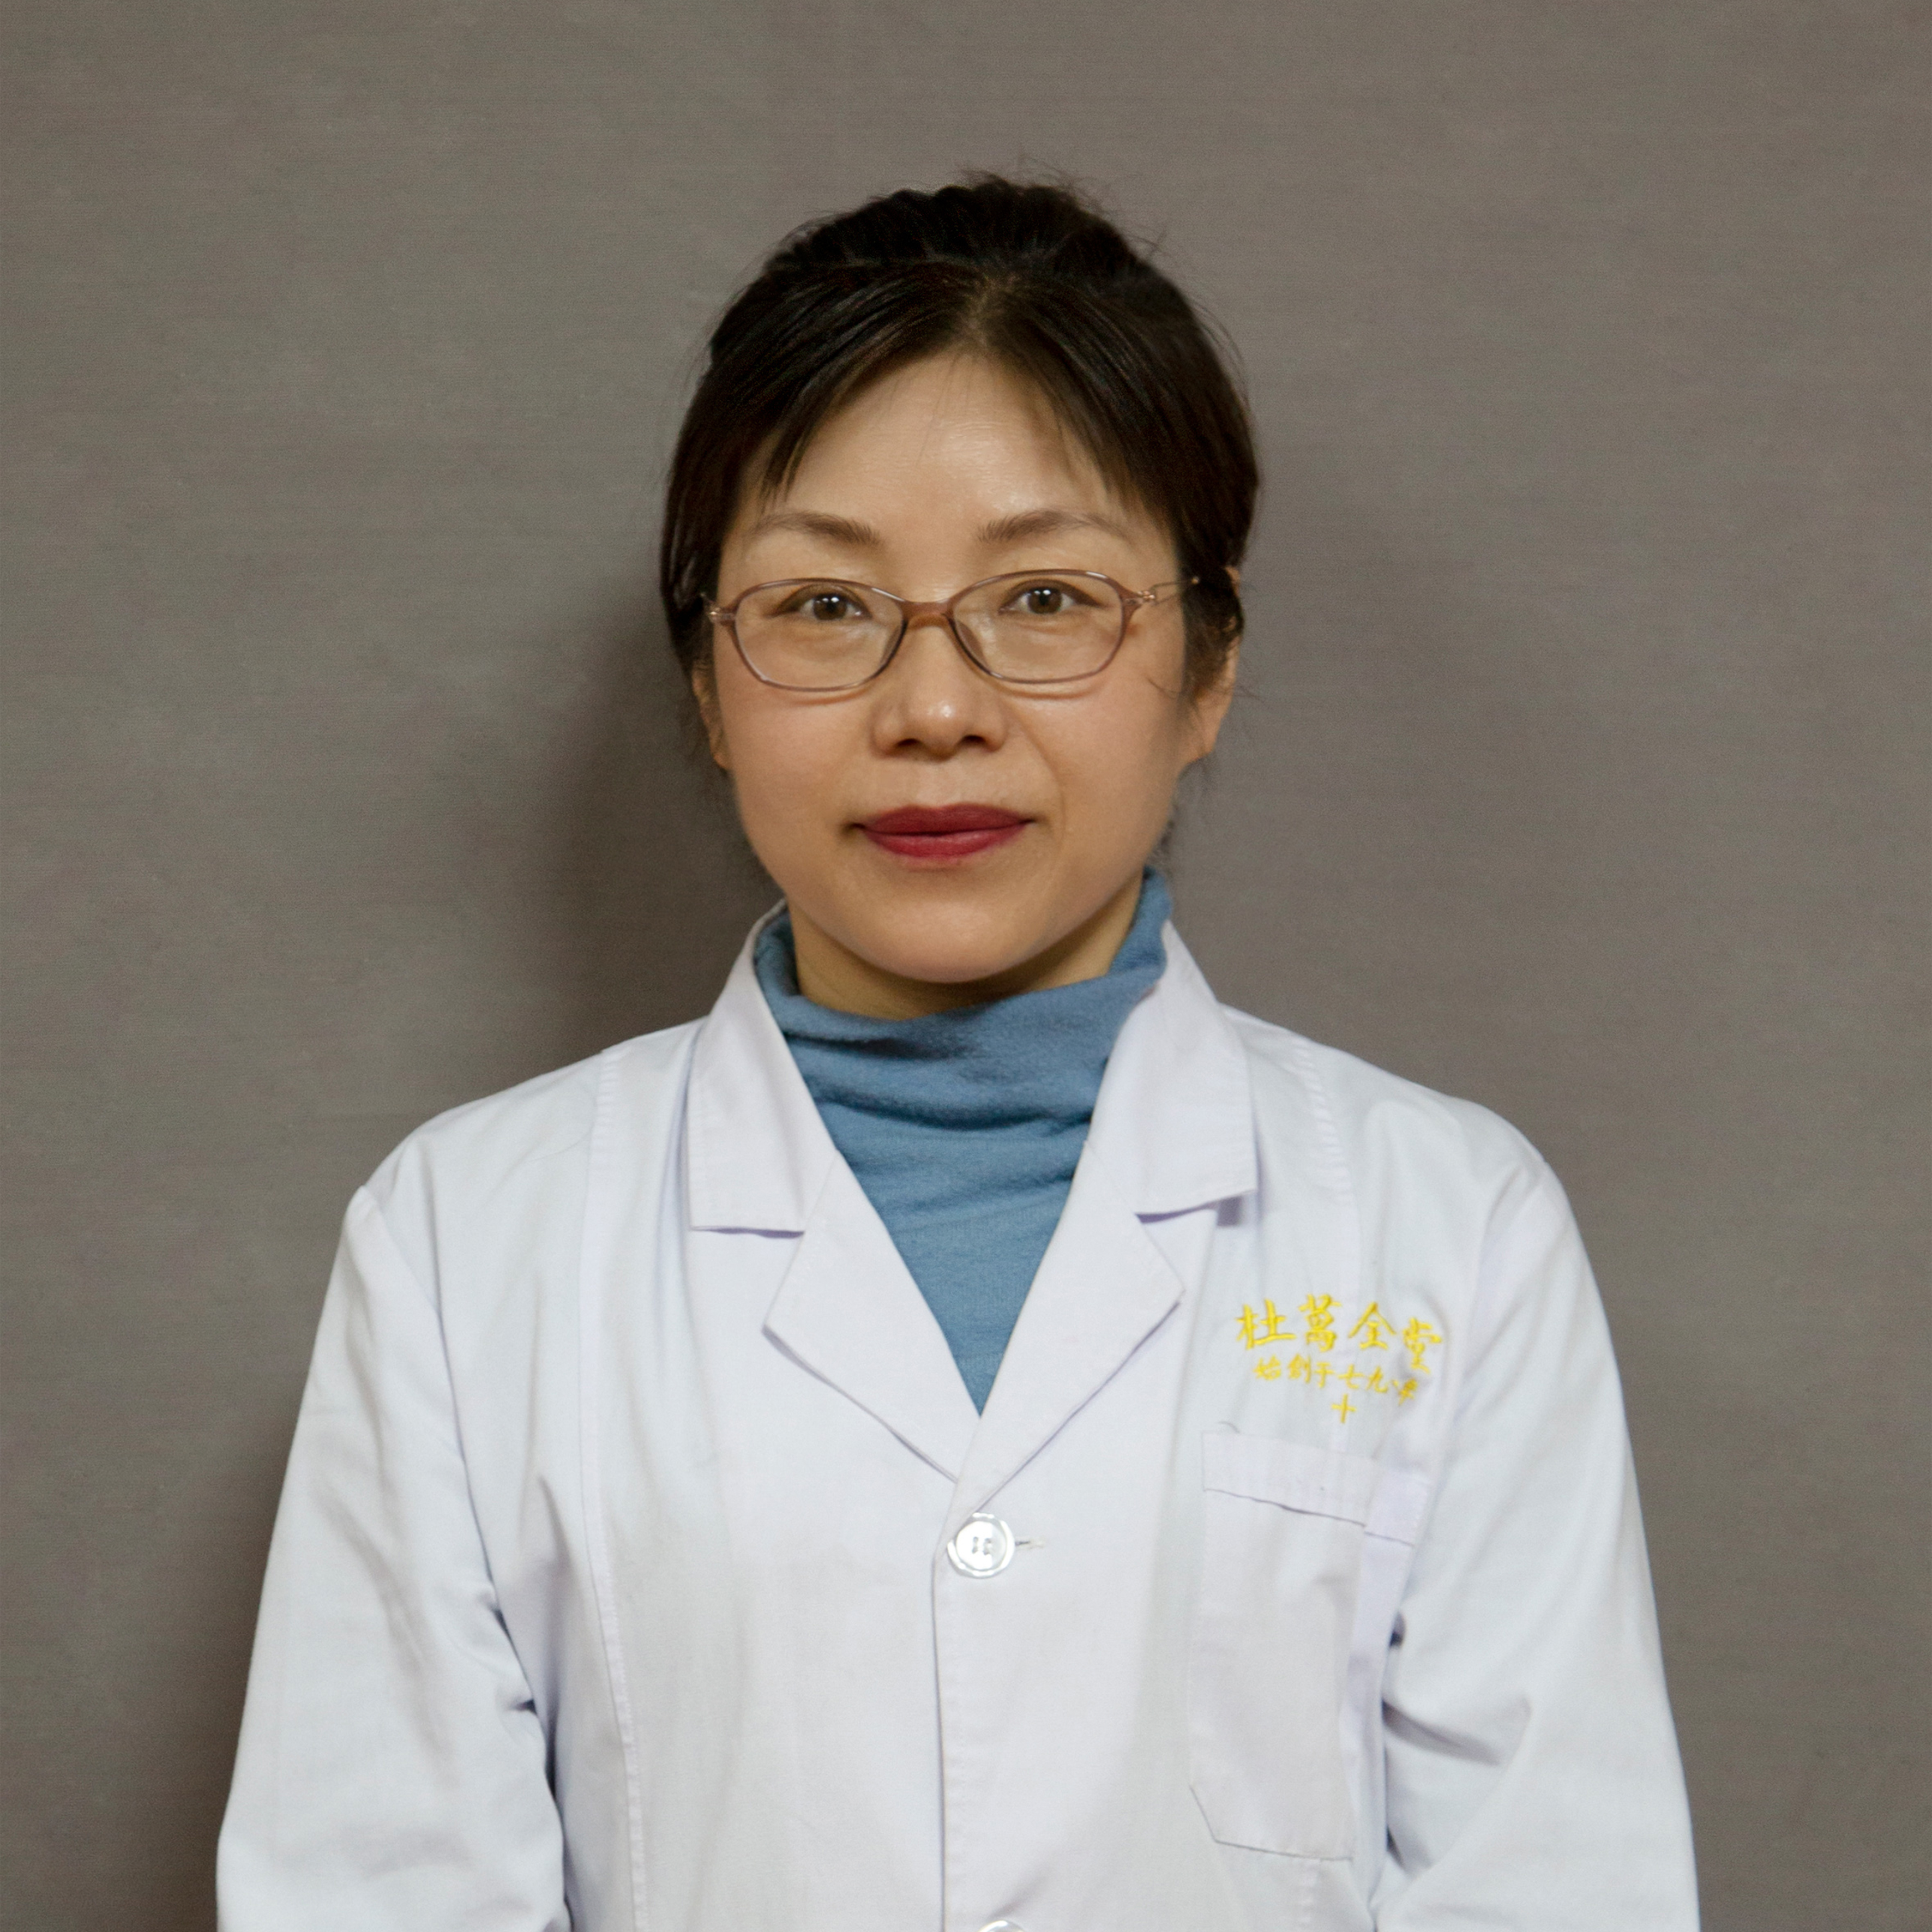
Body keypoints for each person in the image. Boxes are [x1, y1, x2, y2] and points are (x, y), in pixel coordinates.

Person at [218, 177, 1699, 1931]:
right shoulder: (468, 1244)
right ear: (706, 681)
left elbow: (1559, 1890)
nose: (935, 710)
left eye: (1048, 597)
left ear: (1210, 664)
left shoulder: (1448, 1231)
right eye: (825, 607)